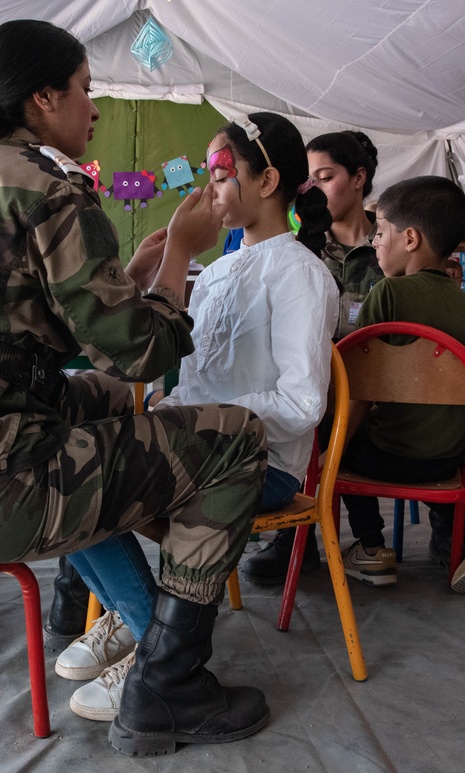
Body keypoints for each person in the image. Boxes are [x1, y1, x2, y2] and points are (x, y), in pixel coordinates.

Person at [0, 20, 270, 756]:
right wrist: (180, 252)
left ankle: (95, 604)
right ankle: (172, 682)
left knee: (106, 400)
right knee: (235, 439)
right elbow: (146, 349)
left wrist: (131, 278)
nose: (94, 107)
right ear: (43, 98)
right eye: (85, 89)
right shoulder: (46, 187)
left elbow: (26, 324)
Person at [55, 111, 340, 720]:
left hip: (256, 467)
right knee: (61, 466)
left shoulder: (300, 274)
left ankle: (148, 642)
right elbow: (183, 369)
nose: (207, 190)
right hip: (197, 450)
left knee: (88, 477)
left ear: (267, 182)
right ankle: (146, 627)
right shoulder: (213, 273)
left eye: (220, 173)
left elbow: (303, 403)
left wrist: (192, 415)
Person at [338, 175, 465, 593]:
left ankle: (371, 549)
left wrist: (326, 453)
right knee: (427, 436)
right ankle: (464, 536)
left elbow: (359, 394)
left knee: (340, 442)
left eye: (379, 232)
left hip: (386, 455)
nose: (374, 242)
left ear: (409, 238)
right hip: (450, 462)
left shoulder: (388, 293)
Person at [242, 129, 383, 584]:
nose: (315, 190)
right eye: (309, 181)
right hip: (321, 396)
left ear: (359, 177)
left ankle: (330, 539)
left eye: (326, 176)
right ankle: (311, 539)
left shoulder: (395, 241)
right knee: (304, 407)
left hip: (380, 395)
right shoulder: (301, 250)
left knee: (340, 411)